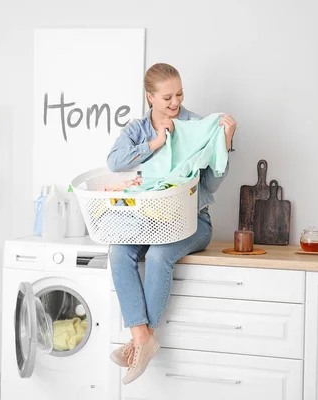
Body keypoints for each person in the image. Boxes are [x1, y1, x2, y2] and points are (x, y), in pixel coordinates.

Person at [106, 63, 236, 385]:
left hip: (194, 221)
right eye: (167, 97)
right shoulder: (138, 130)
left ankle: (142, 340)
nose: (175, 102)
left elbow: (212, 183)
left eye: (179, 94)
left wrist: (225, 143)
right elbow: (114, 161)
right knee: (118, 252)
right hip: (148, 221)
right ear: (150, 97)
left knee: (158, 256)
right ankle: (141, 337)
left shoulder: (195, 125)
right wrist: (156, 144)